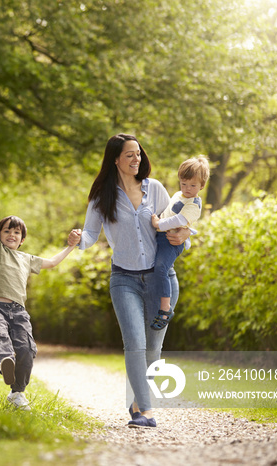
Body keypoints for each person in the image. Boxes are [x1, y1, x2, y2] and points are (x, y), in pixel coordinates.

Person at [76, 133, 191, 428]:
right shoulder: (103, 196)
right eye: (129, 155)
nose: (136, 159)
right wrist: (77, 239)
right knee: (135, 345)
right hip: (124, 278)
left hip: (161, 279)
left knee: (153, 350)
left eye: (138, 154)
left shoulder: (156, 190)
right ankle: (146, 412)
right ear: (115, 159)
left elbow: (177, 226)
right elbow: (90, 234)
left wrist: (184, 237)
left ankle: (138, 402)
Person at [0, 187, 82, 411]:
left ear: (22, 239)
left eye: (16, 233)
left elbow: (53, 262)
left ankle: (17, 393)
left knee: (26, 348)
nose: (11, 235)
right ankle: (5, 362)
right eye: (7, 231)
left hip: (18, 311)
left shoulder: (27, 259)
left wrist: (71, 246)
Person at [149, 156, 210, 331]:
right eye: (184, 184)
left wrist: (158, 224)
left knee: (161, 268)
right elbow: (168, 211)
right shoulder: (177, 195)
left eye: (193, 185)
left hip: (172, 241)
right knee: (157, 268)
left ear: (201, 186)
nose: (187, 189)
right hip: (162, 236)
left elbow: (178, 220)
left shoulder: (194, 204)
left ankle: (165, 309)